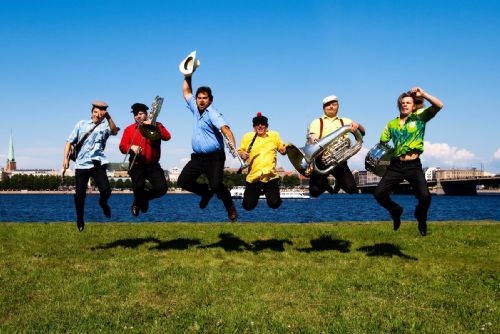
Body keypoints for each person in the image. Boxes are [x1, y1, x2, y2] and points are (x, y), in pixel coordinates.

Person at [373, 87, 444, 236]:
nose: (405, 105)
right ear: (399, 105)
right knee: (379, 194)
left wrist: (423, 94)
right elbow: (382, 145)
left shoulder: (420, 117)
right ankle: (395, 210)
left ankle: (421, 217)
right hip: (396, 165)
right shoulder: (391, 125)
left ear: (413, 105)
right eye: (402, 103)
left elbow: (439, 105)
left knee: (425, 197)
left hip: (413, 165)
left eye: (408, 102)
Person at [177, 72, 238, 222]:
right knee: (182, 181)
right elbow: (186, 91)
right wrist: (188, 74)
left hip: (214, 157)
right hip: (198, 157)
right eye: (199, 98)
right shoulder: (195, 108)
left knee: (216, 185)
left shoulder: (213, 114)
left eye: (205, 98)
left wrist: (233, 147)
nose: (201, 101)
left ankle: (229, 206)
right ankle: (205, 192)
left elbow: (225, 129)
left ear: (210, 100)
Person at [63, 101, 118, 231]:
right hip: (81, 165)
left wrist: (108, 117)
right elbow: (69, 141)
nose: (97, 115)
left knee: (106, 191)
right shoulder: (81, 124)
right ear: (91, 112)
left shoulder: (105, 127)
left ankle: (103, 203)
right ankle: (80, 218)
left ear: (103, 114)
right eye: (95, 112)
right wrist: (65, 159)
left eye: (100, 113)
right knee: (80, 195)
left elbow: (114, 131)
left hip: (97, 163)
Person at [306, 95, 366, 197]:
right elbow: (313, 137)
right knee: (314, 192)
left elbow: (363, 132)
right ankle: (325, 184)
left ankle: (339, 182)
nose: (331, 107)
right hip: (322, 161)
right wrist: (314, 140)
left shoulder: (346, 121)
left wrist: (357, 125)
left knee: (352, 189)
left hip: (339, 161)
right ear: (323, 107)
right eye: (328, 105)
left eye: (334, 104)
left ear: (338, 106)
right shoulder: (317, 122)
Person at [119, 102, 171, 216]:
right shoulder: (129, 129)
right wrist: (131, 147)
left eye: (140, 113)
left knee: (162, 188)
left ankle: (141, 200)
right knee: (138, 187)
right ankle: (139, 201)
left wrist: (155, 125)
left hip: (153, 165)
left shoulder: (157, 125)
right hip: (137, 164)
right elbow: (122, 147)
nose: (138, 116)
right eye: (135, 114)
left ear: (146, 114)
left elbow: (167, 137)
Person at [238, 112, 287, 210]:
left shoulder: (274, 135)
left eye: (262, 124)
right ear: (253, 126)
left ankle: (273, 195)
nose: (260, 126)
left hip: (270, 177)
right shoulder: (247, 137)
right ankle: (255, 193)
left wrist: (285, 149)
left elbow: (283, 151)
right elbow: (240, 151)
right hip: (254, 177)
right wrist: (243, 154)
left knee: (274, 204)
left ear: (267, 125)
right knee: (248, 206)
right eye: (257, 124)